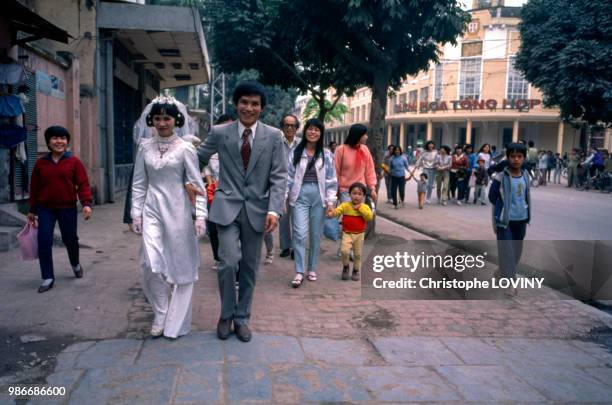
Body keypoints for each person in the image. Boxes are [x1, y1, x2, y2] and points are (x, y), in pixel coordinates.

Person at [193, 81, 287, 342]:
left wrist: (275, 210)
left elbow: (279, 176)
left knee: (248, 266)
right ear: (236, 104)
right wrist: (191, 183)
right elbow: (197, 159)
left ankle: (242, 317)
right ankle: (226, 314)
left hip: (258, 210)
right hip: (225, 207)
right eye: (244, 102)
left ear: (262, 108)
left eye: (255, 104)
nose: (249, 108)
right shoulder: (220, 132)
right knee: (228, 262)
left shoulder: (274, 136)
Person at [130, 98, 207, 338]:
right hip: (152, 208)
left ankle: (175, 320)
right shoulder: (144, 147)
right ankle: (161, 312)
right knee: (149, 264)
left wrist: (201, 216)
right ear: (151, 121)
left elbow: (197, 184)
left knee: (181, 267)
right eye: (158, 118)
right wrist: (136, 213)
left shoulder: (186, 148)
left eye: (167, 118)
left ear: (176, 120)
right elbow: (139, 183)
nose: (162, 123)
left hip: (179, 211)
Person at [28, 126, 93, 293]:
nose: (59, 141)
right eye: (55, 138)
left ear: (67, 141)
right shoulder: (41, 164)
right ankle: (47, 277)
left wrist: (86, 203)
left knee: (70, 240)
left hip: (67, 208)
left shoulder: (74, 162)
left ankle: (75, 264)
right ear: (48, 142)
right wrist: (32, 210)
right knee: (44, 241)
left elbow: (83, 184)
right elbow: (34, 188)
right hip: (45, 209)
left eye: (63, 138)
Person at [286, 118, 337, 287]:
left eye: (317, 130)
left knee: (315, 234)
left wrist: (330, 202)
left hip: (319, 197)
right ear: (305, 131)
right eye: (310, 129)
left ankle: (312, 268)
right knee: (300, 233)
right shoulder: (295, 153)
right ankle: (299, 271)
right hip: (299, 196)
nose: (313, 132)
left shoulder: (327, 154)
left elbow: (331, 180)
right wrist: (284, 197)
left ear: (321, 133)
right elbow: (288, 177)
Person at [489, 142, 531, 296]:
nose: (516, 159)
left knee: (516, 252)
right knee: (507, 252)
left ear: (524, 158)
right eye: (512, 156)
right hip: (504, 221)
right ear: (507, 158)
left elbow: (526, 196)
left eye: (519, 156)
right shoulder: (500, 177)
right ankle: (510, 283)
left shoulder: (526, 175)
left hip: (521, 220)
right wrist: (503, 209)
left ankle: (502, 272)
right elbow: (492, 197)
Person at [204, 114, 233, 271]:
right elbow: (205, 166)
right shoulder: (211, 149)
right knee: (214, 227)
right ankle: (218, 257)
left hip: (235, 194)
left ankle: (234, 260)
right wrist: (210, 183)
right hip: (214, 191)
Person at [329, 182, 373, 281]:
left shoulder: (365, 207)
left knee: (357, 254)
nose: (356, 196)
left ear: (363, 196)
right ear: (350, 194)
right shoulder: (345, 205)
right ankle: (345, 267)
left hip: (359, 235)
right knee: (344, 251)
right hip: (347, 233)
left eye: (359, 194)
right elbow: (337, 211)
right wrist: (332, 213)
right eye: (354, 193)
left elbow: (369, 217)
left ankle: (356, 270)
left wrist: (360, 208)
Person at [278, 114, 302, 259]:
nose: (289, 128)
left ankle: (295, 248)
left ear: (297, 128)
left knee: (298, 219)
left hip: (297, 186)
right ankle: (285, 246)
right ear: (282, 127)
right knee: (283, 218)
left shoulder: (302, 144)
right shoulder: (277, 142)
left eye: (293, 125)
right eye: (287, 125)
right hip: (280, 185)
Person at [335, 124, 377, 203]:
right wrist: (335, 190)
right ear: (357, 135)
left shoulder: (365, 149)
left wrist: (372, 188)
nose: (366, 137)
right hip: (345, 191)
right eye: (364, 134)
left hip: (360, 191)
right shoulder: (341, 149)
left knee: (359, 215)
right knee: (348, 214)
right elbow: (335, 171)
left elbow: (370, 170)